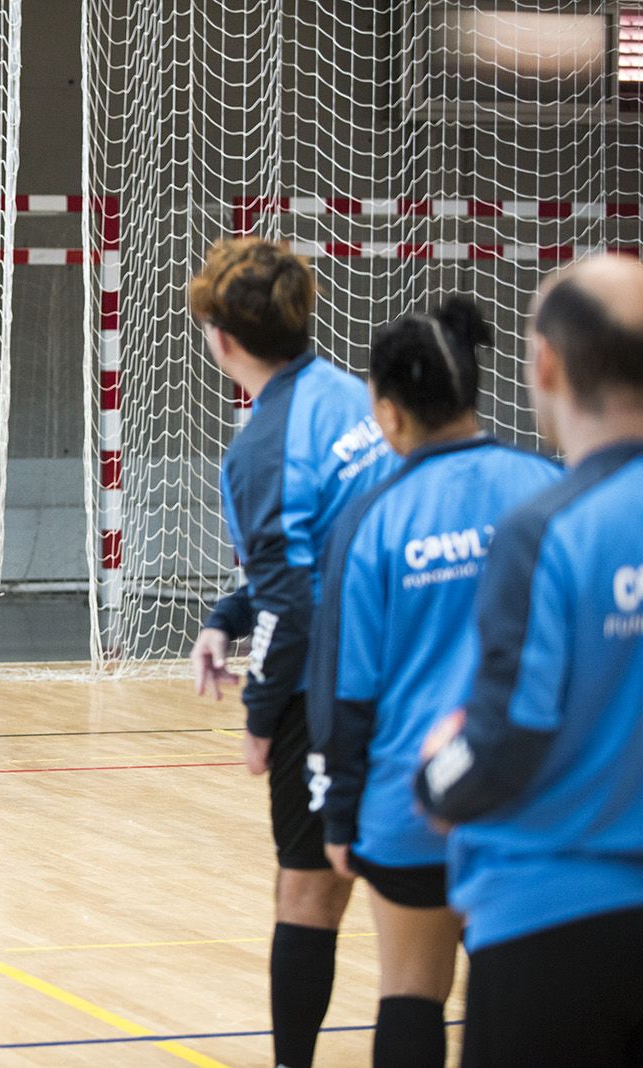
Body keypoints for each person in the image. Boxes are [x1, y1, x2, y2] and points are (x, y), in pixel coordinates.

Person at [306, 297, 561, 1067]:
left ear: (387, 411)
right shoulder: (551, 486)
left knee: (410, 990)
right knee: (516, 999)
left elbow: (346, 689)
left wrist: (339, 815)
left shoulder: (371, 521)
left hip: (409, 804)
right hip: (530, 799)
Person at [416, 256, 643, 1067]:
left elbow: (511, 733)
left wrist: (437, 776)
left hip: (551, 926)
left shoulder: (548, 529)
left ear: (544, 363)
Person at [186, 237, 399, 1068]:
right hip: (419, 660)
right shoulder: (358, 398)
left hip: (337, 684)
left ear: (223, 339)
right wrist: (224, 613)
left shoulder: (260, 450)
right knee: (415, 892)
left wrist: (262, 716)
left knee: (308, 889)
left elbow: (299, 603)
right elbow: (326, 551)